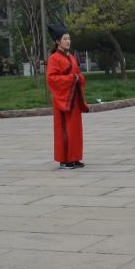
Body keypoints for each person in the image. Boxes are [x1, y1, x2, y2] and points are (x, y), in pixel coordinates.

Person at [46, 24, 87, 169]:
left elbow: (78, 74)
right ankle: (65, 159)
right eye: (65, 39)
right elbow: (51, 79)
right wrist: (71, 79)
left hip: (73, 98)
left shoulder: (71, 57)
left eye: (69, 38)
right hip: (62, 99)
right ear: (58, 41)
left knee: (75, 129)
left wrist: (79, 78)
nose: (68, 41)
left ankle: (74, 157)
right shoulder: (54, 58)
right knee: (64, 129)